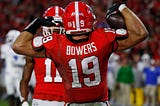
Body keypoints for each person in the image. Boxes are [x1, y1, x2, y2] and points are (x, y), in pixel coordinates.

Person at [12, 1, 148, 106]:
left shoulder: (55, 44)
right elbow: (140, 33)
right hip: (98, 102)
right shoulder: (103, 39)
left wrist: (37, 22)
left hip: (71, 103)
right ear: (91, 21)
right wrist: (122, 7)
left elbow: (18, 45)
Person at [20, 6, 65, 106]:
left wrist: (24, 101)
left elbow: (24, 81)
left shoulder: (35, 44)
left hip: (59, 100)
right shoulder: (73, 45)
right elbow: (24, 80)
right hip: (45, 99)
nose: (55, 30)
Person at [0, 29, 25, 106]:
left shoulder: (21, 47)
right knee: (10, 93)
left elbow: (24, 61)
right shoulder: (5, 48)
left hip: (18, 73)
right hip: (9, 73)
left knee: (19, 94)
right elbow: (3, 59)